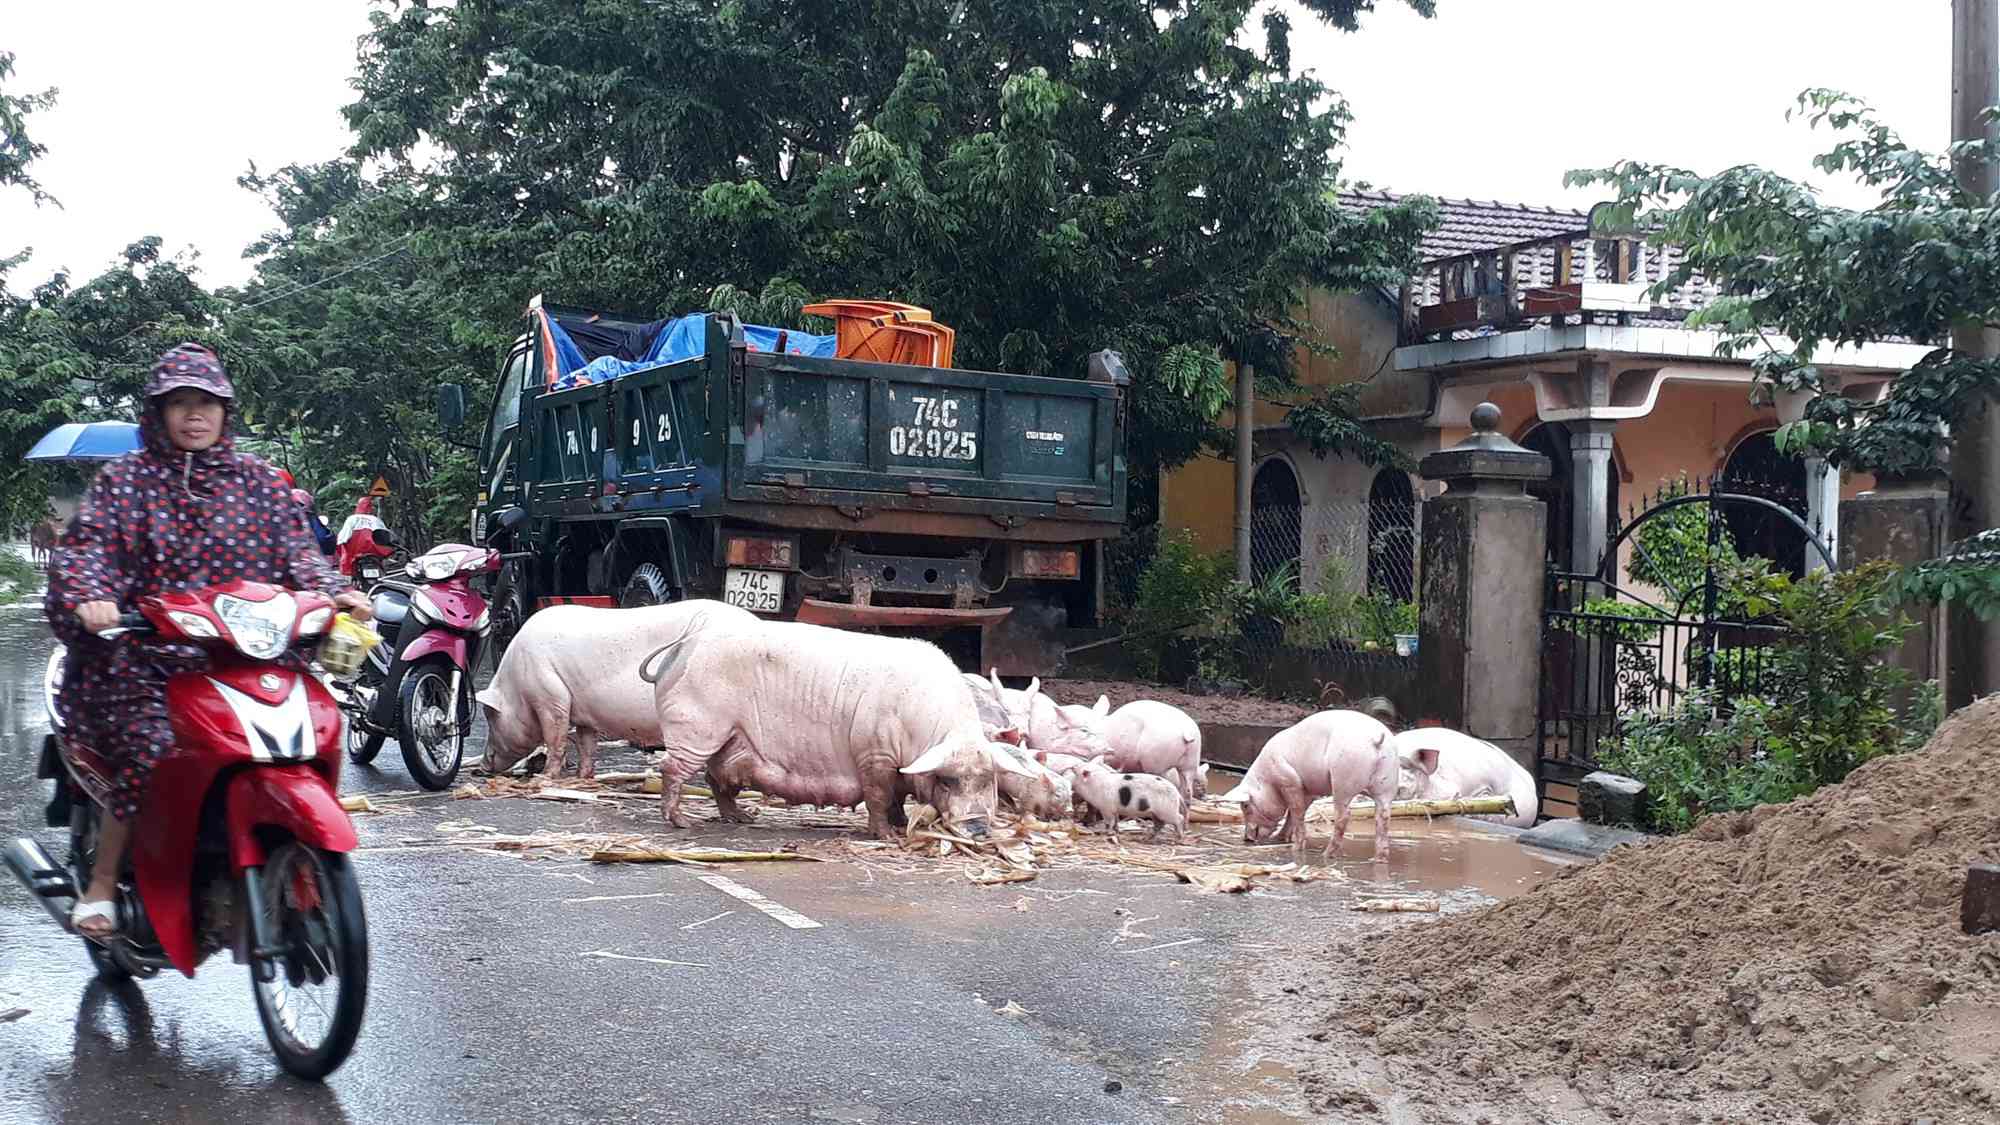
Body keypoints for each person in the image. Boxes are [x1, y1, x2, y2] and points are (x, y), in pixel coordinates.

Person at [44, 343, 372, 938]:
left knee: (316, 723)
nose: (194, 415)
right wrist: (91, 596)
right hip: (149, 656)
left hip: (249, 653)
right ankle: (102, 884)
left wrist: (335, 593)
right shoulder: (126, 483)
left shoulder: (261, 485)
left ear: (226, 412)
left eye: (207, 403)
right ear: (158, 412)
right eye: (179, 403)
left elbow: (301, 555)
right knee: (150, 745)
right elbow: (85, 550)